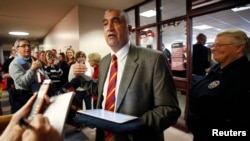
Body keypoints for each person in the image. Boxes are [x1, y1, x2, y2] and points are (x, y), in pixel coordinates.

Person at [70, 9, 181, 141]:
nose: (109, 28)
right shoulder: (105, 61)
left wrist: (133, 126)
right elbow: (100, 90)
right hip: (104, 136)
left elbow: (169, 109)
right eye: (105, 23)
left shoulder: (154, 59)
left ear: (129, 29)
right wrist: (80, 76)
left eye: (116, 21)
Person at [187, 29, 250, 141]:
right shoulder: (216, 69)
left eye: (219, 45)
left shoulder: (244, 76)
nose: (213, 48)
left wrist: (211, 134)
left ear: (239, 47)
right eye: (213, 45)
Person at [9, 38, 49, 113]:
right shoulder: (14, 64)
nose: (27, 48)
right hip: (24, 98)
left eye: (28, 45)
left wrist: (49, 83)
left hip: (39, 94)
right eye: (24, 46)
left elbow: (43, 74)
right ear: (17, 49)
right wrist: (32, 70)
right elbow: (22, 83)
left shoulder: (34, 60)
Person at [1, 46, 16, 113]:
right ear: (12, 52)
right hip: (12, 87)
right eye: (14, 50)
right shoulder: (8, 62)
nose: (15, 51)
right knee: (14, 107)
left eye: (16, 50)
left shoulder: (25, 61)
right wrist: (17, 74)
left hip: (26, 88)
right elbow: (3, 75)